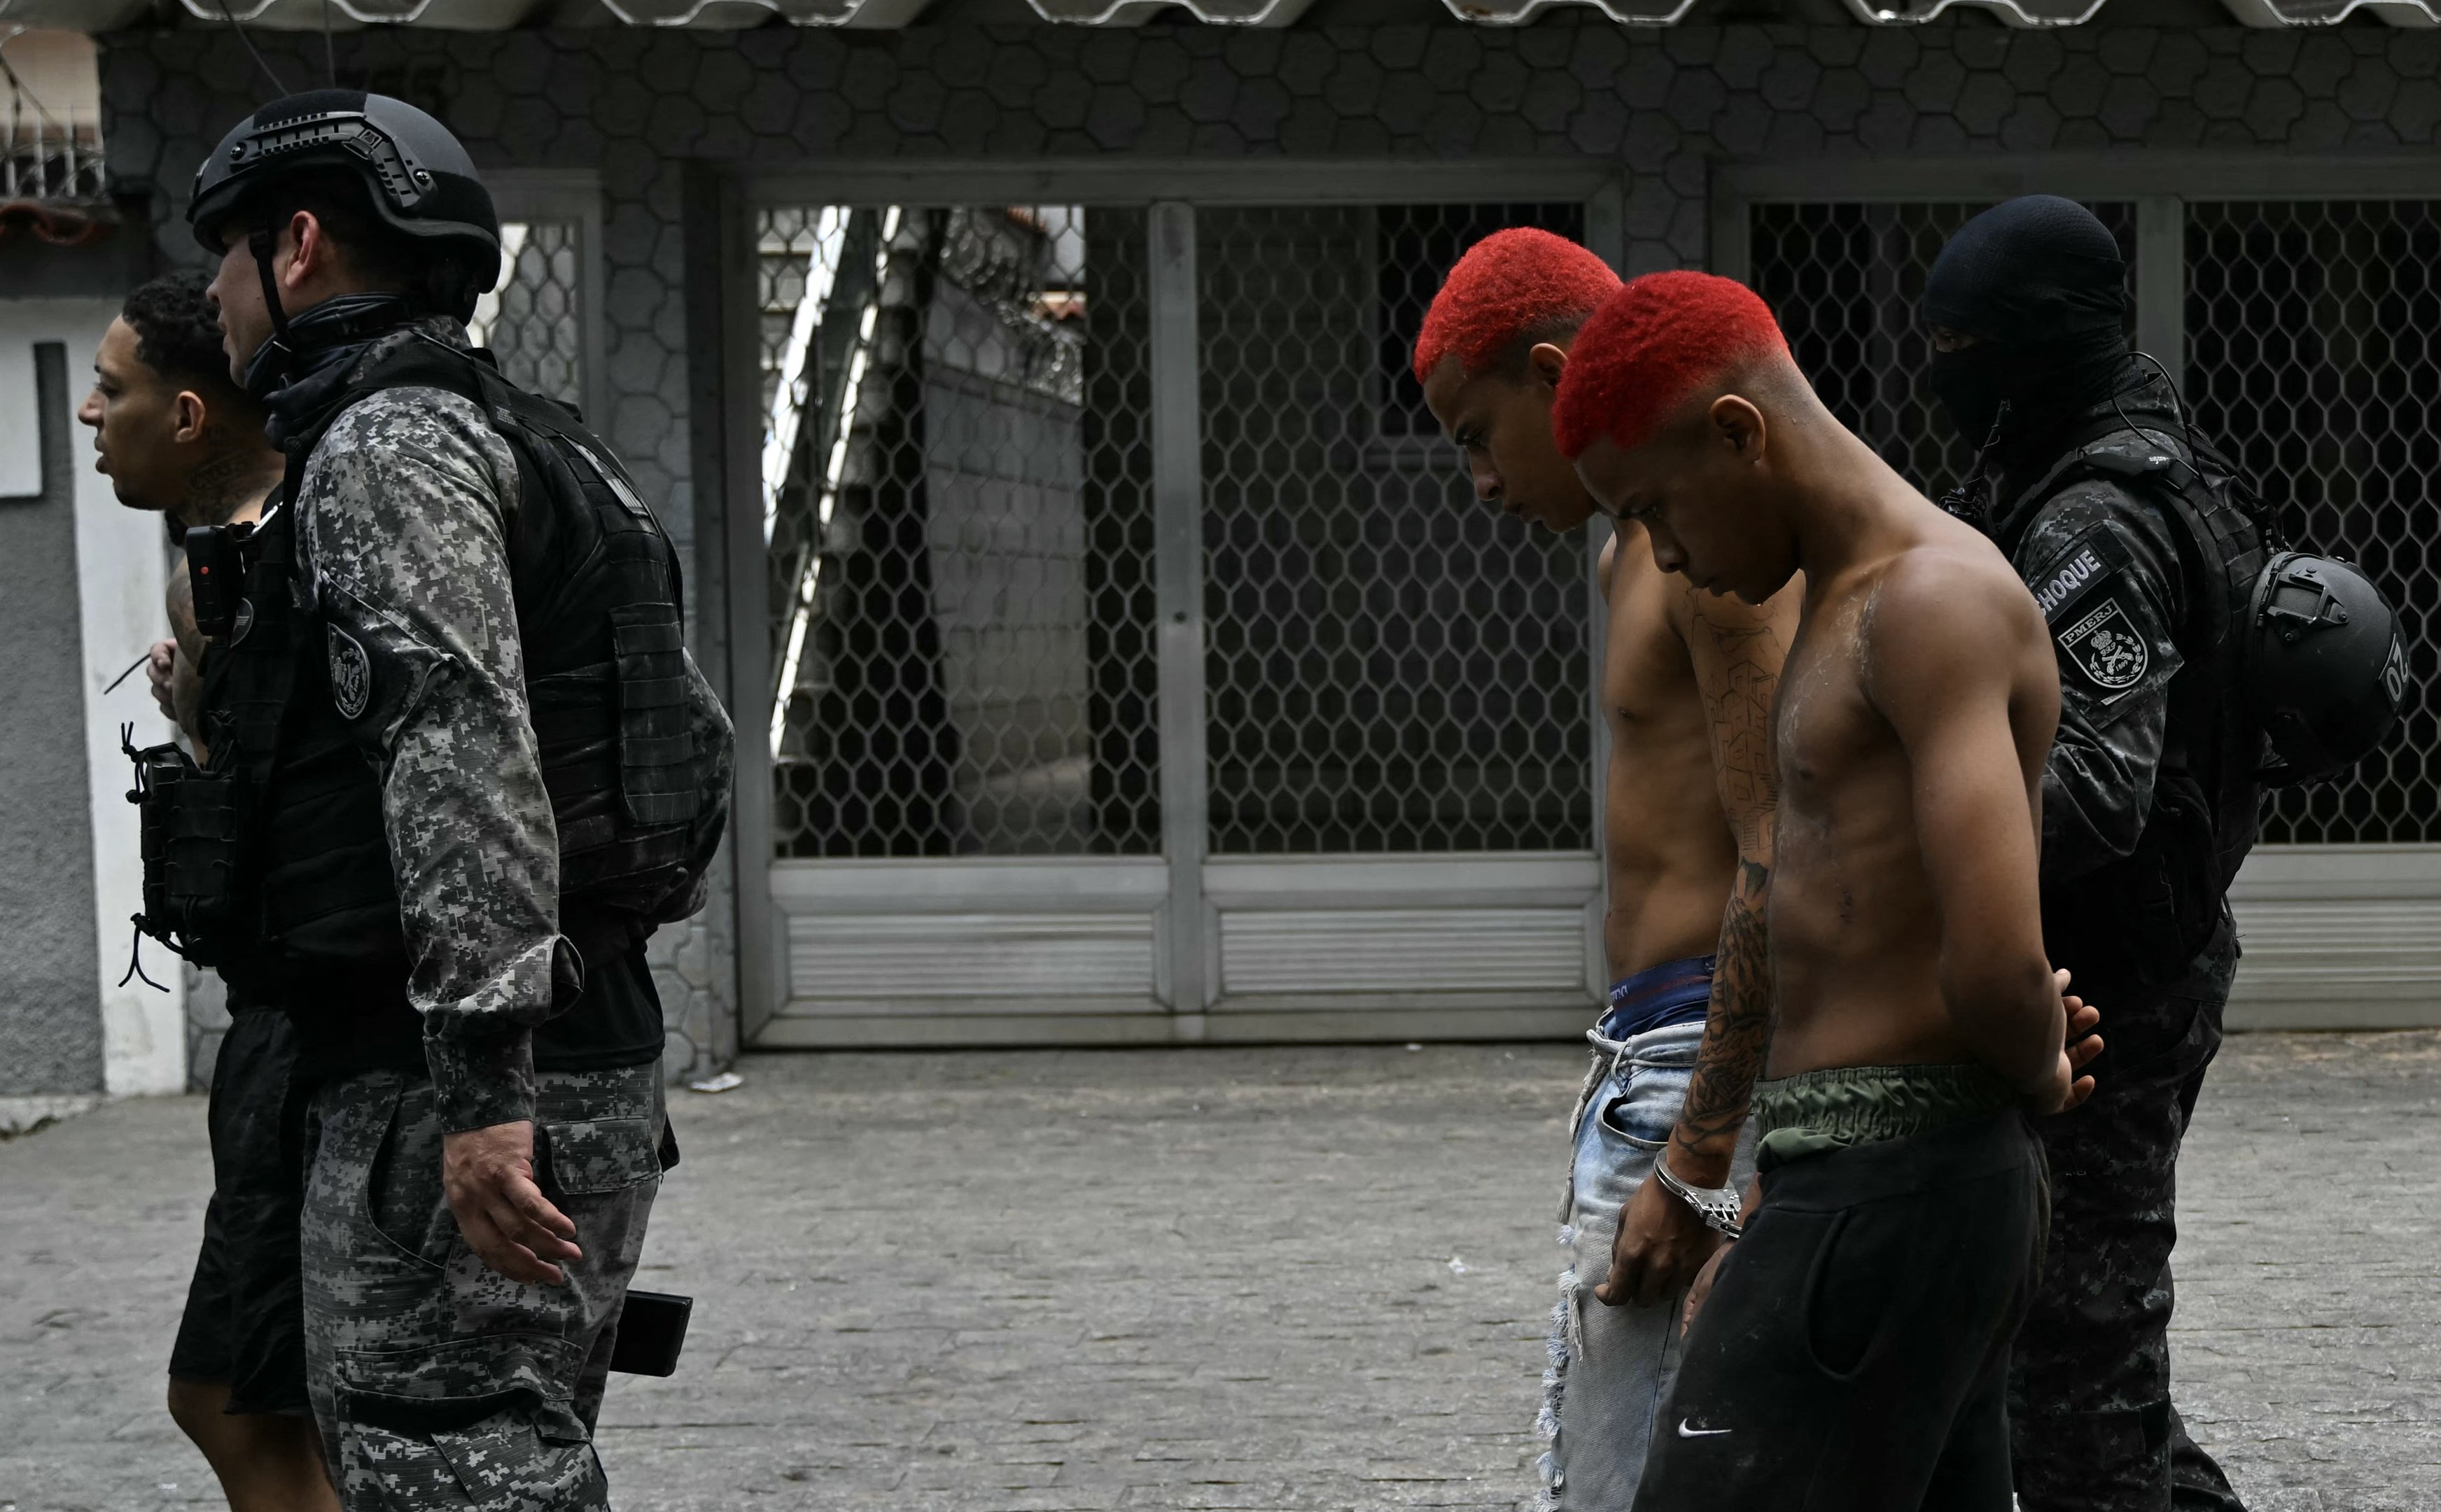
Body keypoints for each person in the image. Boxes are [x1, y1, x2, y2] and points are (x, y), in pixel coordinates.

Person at [147, 90, 732, 1510]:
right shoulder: (534, 434)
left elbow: (458, 746)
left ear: (297, 250)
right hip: (552, 1045)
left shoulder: (385, 448)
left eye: (225, 257)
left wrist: (480, 1089)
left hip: (452, 1089)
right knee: (483, 1453)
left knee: (444, 1470)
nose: (214, 297)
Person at [1556, 270, 2103, 1510]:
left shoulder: (1928, 603)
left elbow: (1998, 958)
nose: (1668, 555)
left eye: (1656, 510)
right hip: (1873, 1180)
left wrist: (2038, 1066)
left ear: (1740, 434)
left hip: (1894, 1189)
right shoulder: (1851, 600)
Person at [1415, 230, 1798, 1508]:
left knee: (1637, 1485)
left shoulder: (1705, 555)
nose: (1474, 478)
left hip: (1700, 1062)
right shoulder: (1634, 544)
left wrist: (1702, 1157)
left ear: (1549, 372)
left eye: (1478, 433)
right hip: (1656, 1051)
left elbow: (1778, 855)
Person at [1923, 195, 2264, 1512]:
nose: (1941, 371)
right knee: (2084, 1357)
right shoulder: (2133, 460)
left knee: (2074, 1378)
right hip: (2136, 961)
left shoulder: (2096, 519)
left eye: (1961, 345)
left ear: (2031, 342)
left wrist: (1920, 845)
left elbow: (2096, 792)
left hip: (2115, 985)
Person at [80, 274, 336, 1512]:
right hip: (276, 1027)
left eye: (113, 389)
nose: (87, 413)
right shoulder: (220, 574)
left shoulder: (300, 558)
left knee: (245, 1400)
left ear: (187, 416)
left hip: (317, 1034)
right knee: (261, 1400)